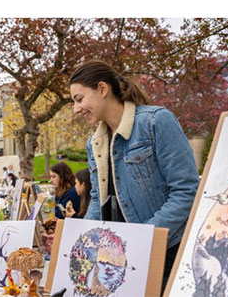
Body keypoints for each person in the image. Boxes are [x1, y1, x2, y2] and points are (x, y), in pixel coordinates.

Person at [69, 60, 199, 288]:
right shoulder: (94, 143)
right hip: (122, 260)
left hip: (167, 254)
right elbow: (98, 199)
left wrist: (145, 239)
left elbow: (186, 191)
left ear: (102, 89)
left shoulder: (156, 121)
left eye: (79, 99)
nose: (76, 109)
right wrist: (83, 244)